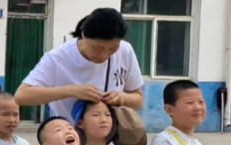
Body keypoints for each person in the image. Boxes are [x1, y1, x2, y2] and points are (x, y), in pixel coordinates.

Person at [16, 8, 144, 120]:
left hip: (111, 140)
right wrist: (71, 90)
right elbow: (22, 96)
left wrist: (122, 98)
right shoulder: (58, 58)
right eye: (98, 48)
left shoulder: (125, 50)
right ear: (84, 36)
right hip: (70, 140)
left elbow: (138, 100)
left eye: (112, 48)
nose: (104, 55)